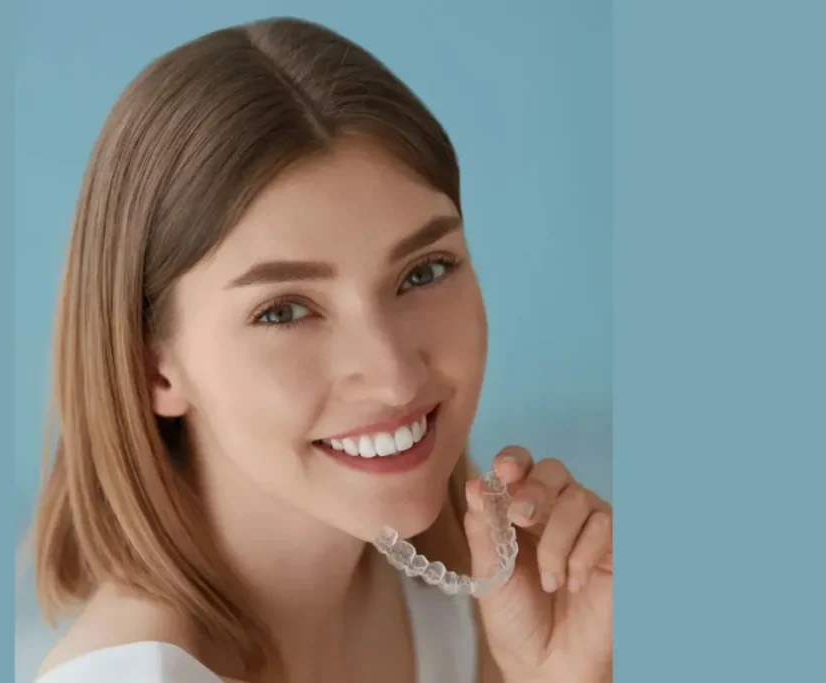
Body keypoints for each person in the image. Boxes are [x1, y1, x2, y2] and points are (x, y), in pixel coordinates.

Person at [30, 16, 612, 683]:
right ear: (151, 367)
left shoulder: (459, 600)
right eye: (283, 310)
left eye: (423, 271)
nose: (394, 377)